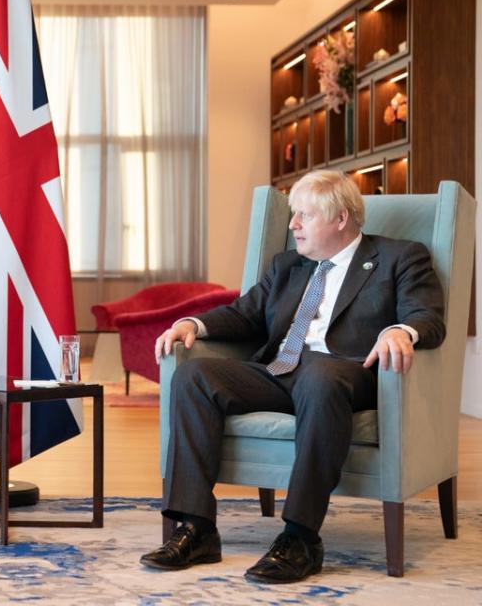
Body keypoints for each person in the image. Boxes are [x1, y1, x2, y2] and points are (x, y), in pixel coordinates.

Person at [140, 170, 445, 583]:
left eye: (303, 215)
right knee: (194, 375)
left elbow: (426, 317)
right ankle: (197, 529)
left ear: (340, 218)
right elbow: (244, 314)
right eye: (292, 215)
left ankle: (300, 537)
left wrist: (398, 330)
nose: (292, 225)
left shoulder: (400, 257)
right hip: (279, 371)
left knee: (320, 375)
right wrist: (193, 323)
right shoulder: (288, 266)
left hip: (344, 375)